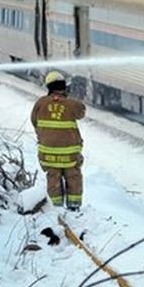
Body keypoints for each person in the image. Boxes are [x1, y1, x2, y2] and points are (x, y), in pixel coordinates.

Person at [31, 71, 86, 211]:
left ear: (48, 87)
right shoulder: (71, 104)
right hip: (70, 155)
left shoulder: (40, 103)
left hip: (47, 153)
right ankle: (74, 208)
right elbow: (81, 112)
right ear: (64, 87)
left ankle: (56, 208)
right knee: (73, 178)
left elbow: (34, 121)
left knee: (53, 178)